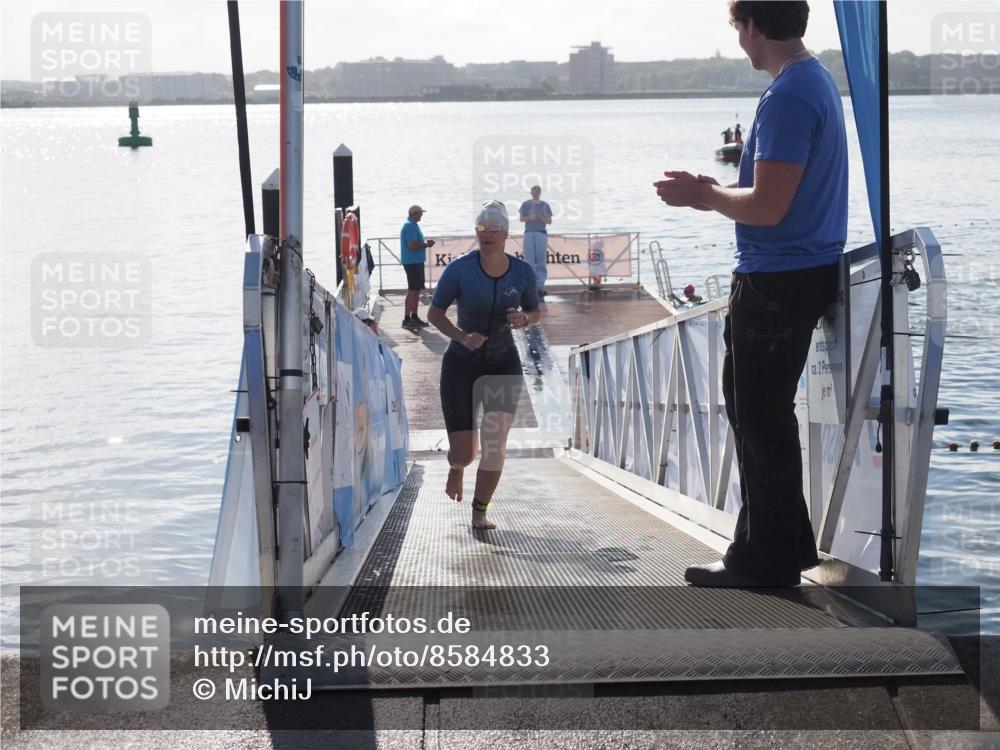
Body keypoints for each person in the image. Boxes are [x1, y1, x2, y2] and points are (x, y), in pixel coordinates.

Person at [653, 0, 846, 587]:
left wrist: (704, 197)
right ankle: (776, 549)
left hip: (777, 280)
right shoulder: (813, 81)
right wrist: (719, 189)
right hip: (796, 271)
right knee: (758, 413)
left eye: (737, 26)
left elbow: (768, 206)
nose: (738, 38)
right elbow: (772, 192)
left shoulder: (788, 94)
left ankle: (767, 558)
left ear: (754, 27)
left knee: (758, 416)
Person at [427, 201, 541, 530]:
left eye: (494, 229)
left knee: (494, 446)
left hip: (503, 363)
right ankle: (457, 466)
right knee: (465, 453)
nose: (487, 234)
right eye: (481, 228)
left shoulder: (522, 272)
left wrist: (524, 319)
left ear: (506, 234)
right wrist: (461, 337)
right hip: (461, 364)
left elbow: (535, 312)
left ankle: (480, 512)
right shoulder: (460, 269)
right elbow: (434, 314)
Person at [399, 205, 435, 331]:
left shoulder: (413, 225)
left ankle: (414, 316)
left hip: (416, 261)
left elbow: (414, 244)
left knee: (416, 290)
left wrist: (425, 244)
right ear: (413, 213)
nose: (421, 215)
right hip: (412, 262)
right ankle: (407, 318)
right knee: (412, 290)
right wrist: (426, 244)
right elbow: (412, 246)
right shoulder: (409, 226)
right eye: (420, 213)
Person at [518, 185, 553, 296]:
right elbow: (521, 218)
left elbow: (549, 221)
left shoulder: (545, 205)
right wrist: (529, 217)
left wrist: (540, 217)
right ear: (531, 192)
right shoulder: (526, 204)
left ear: (540, 192)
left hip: (541, 233)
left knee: (541, 261)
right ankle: (530, 286)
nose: (536, 193)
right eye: (534, 191)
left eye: (538, 191)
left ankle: (540, 286)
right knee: (529, 261)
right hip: (529, 233)